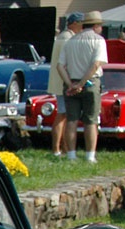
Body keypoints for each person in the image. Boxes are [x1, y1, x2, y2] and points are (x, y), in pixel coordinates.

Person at [57, 10, 107, 163]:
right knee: (90, 120)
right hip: (90, 82)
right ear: (96, 26)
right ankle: (90, 155)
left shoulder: (71, 41)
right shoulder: (98, 40)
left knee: (71, 120)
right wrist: (82, 83)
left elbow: (60, 66)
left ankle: (71, 155)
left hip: (71, 82)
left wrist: (70, 84)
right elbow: (96, 64)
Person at [47, 13, 83, 157]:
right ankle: (57, 149)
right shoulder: (68, 39)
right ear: (73, 23)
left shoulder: (62, 37)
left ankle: (62, 147)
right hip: (63, 82)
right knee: (62, 114)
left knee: (64, 115)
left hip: (60, 81)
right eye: (81, 23)